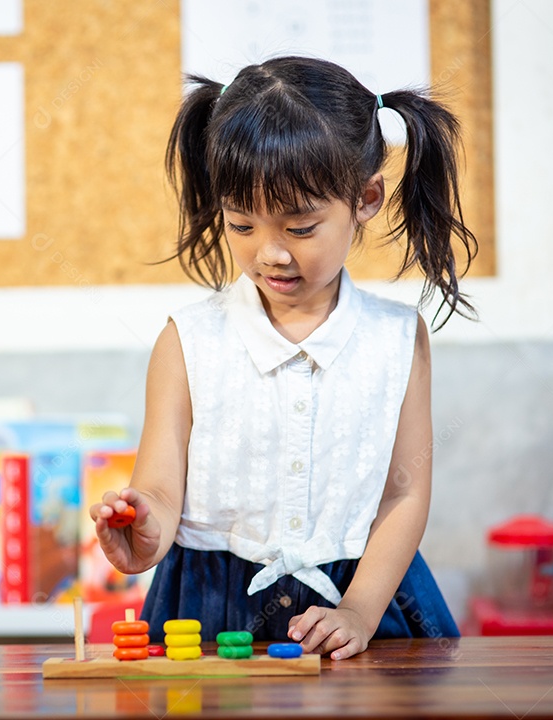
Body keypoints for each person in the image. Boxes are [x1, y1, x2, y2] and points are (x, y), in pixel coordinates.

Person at [89, 56, 475, 660]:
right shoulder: (187, 341)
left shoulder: (396, 339)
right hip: (210, 607)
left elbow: (404, 494)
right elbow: (160, 490)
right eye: (241, 225)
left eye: (300, 228)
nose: (270, 254)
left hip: (363, 603)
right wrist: (145, 532)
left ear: (366, 197)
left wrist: (359, 609)